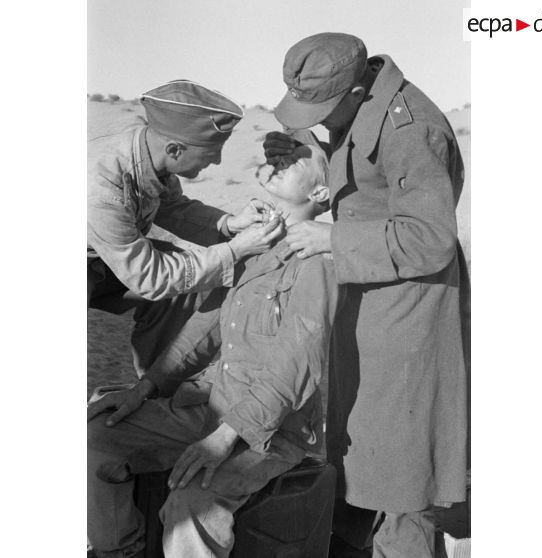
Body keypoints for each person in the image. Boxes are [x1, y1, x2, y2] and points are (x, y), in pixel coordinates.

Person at [264, 33, 469, 557]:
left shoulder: (412, 127)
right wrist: (310, 153)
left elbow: (431, 238)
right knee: (363, 459)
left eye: (323, 110)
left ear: (357, 91)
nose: (318, 119)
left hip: (410, 314)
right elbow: (368, 183)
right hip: (375, 301)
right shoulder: (365, 107)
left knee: (404, 479)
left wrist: (330, 237)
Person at [87, 145, 339, 558]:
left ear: (319, 194)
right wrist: (144, 388)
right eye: (276, 156)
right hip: (212, 407)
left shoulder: (316, 263)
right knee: (95, 437)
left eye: (295, 158)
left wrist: (223, 438)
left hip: (269, 432)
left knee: (192, 506)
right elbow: (203, 330)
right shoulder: (255, 247)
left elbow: (298, 366)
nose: (279, 161)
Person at [88, 79, 283, 376]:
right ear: (176, 150)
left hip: (103, 259)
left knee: (186, 287)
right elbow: (150, 278)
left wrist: (229, 224)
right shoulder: (103, 187)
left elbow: (172, 206)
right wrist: (234, 251)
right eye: (209, 153)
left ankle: (151, 389)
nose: (216, 161)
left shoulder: (151, 150)